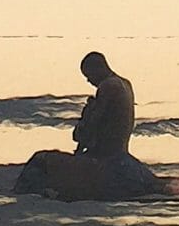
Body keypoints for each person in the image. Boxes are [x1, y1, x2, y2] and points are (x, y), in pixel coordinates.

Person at [15, 51, 161, 200]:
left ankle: (25, 193)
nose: (89, 81)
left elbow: (89, 128)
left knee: (40, 159)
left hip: (105, 157)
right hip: (120, 154)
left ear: (97, 69)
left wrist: (87, 116)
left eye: (88, 76)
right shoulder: (125, 83)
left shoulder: (107, 87)